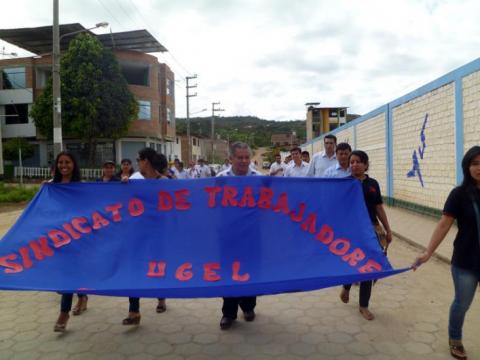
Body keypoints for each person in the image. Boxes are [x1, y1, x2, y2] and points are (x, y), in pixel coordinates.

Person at [412, 146, 480, 360]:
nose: (479, 167)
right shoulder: (459, 195)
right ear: (467, 167)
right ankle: (455, 338)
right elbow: (443, 225)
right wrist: (427, 253)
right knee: (462, 303)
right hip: (466, 261)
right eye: (475, 163)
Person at [339, 150, 392, 321]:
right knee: (352, 263)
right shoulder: (344, 184)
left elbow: (378, 207)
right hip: (351, 231)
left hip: (371, 230)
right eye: (352, 162)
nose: (354, 165)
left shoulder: (373, 184)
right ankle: (346, 287)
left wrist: (388, 229)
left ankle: (363, 305)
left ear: (366, 164)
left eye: (358, 162)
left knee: (369, 267)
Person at [122, 148, 169, 325]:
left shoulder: (164, 182)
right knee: (134, 268)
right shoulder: (134, 181)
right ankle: (134, 311)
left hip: (159, 234)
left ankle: (161, 298)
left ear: (146, 161)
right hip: (137, 234)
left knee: (158, 267)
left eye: (138, 159)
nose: (137, 163)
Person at [217, 142, 260, 330]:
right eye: (239, 157)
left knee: (250, 272)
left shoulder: (259, 178)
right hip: (227, 236)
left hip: (252, 235)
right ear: (231, 159)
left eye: (246, 157)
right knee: (228, 273)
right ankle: (229, 313)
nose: (244, 161)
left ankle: (249, 307)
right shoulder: (220, 179)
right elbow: (212, 207)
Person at [50, 151, 88, 332]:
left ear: (74, 164)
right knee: (69, 271)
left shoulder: (81, 186)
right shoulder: (52, 186)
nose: (63, 165)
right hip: (60, 237)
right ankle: (82, 296)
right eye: (60, 162)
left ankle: (64, 314)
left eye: (67, 162)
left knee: (71, 271)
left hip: (78, 236)